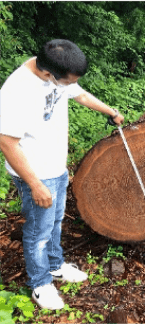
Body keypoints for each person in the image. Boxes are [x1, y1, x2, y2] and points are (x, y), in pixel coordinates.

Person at [0, 39, 124, 310]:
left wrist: (110, 111)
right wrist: (34, 184)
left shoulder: (56, 71)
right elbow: (6, 142)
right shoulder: (16, 91)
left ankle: (55, 266)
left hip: (55, 167)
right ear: (48, 75)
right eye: (67, 81)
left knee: (55, 222)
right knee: (38, 231)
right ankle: (40, 284)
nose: (70, 85)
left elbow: (79, 94)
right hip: (35, 174)